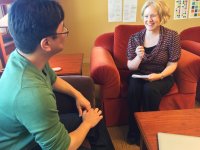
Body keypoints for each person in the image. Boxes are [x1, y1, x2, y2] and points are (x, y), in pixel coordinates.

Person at [0, 0, 114, 150]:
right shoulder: (32, 95)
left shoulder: (24, 56)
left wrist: (77, 94)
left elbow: (53, 79)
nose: (66, 32)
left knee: (95, 118)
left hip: (29, 129)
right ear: (46, 44)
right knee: (90, 122)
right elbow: (63, 148)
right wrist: (87, 123)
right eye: (63, 29)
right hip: (23, 144)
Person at [126, 0, 181, 145]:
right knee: (133, 89)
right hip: (139, 73)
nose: (149, 20)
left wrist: (160, 75)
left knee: (150, 90)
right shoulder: (135, 38)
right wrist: (138, 57)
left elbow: (172, 63)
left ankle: (149, 131)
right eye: (146, 16)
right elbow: (130, 66)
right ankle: (133, 131)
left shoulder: (172, 36)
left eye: (153, 16)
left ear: (162, 16)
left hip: (162, 75)